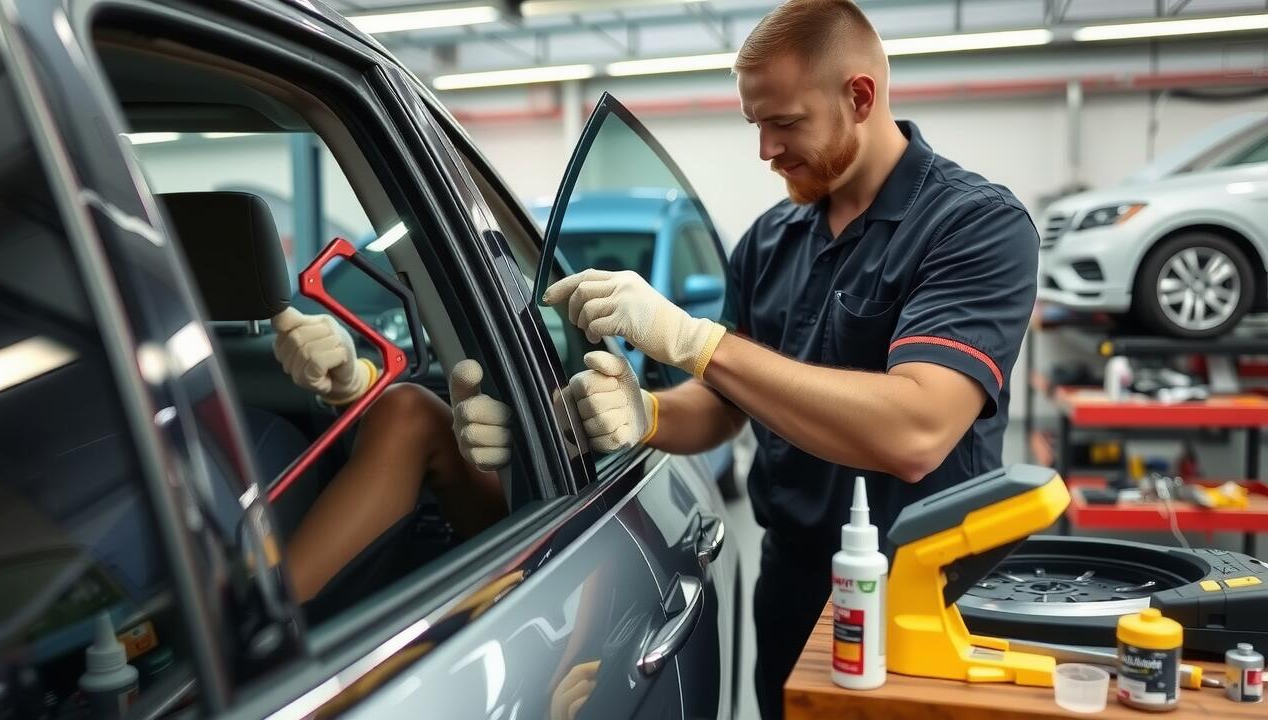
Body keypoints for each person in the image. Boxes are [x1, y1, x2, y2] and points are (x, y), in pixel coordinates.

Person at [542, 1, 1039, 718]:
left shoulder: (974, 225)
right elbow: (726, 403)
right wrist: (647, 412)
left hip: (925, 590)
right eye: (755, 123)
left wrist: (696, 341)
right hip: (792, 580)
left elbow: (917, 430)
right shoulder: (769, 240)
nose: (765, 149)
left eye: (784, 122)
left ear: (859, 97)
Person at [268, 307, 644, 603]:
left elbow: (412, 419)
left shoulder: (410, 415)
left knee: (408, 408)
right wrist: (356, 385)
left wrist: (356, 385)